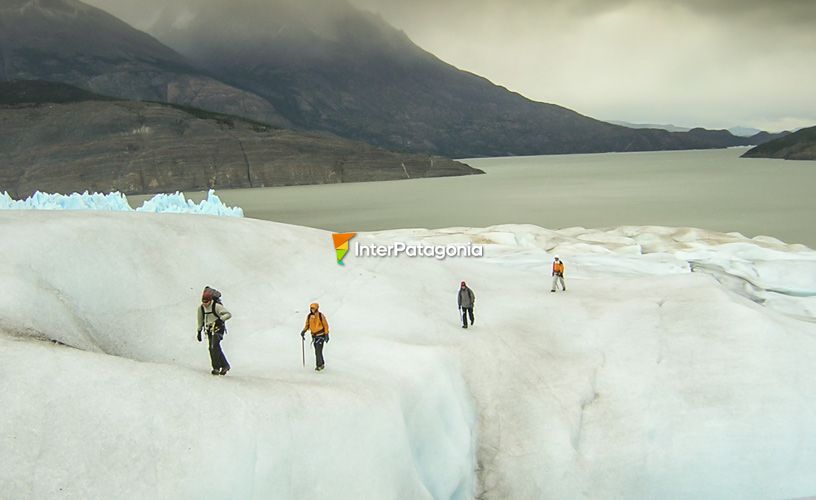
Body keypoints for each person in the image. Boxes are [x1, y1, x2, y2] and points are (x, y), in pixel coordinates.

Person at [196, 287, 232, 375]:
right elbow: (200, 320)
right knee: (214, 347)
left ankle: (216, 368)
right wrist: (199, 331)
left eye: (206, 302)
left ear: (210, 300)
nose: (205, 304)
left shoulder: (216, 306)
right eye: (203, 302)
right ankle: (225, 365)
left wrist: (220, 320)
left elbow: (228, 314)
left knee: (213, 346)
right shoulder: (201, 308)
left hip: (218, 328)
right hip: (209, 329)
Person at [301, 303, 330, 371]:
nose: (312, 309)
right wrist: (303, 331)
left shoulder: (320, 315)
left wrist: (326, 334)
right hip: (314, 336)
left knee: (318, 351)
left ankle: (319, 365)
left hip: (321, 336)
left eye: (313, 308)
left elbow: (325, 325)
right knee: (317, 351)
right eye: (311, 308)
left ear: (316, 308)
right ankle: (321, 363)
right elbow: (307, 325)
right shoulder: (309, 316)